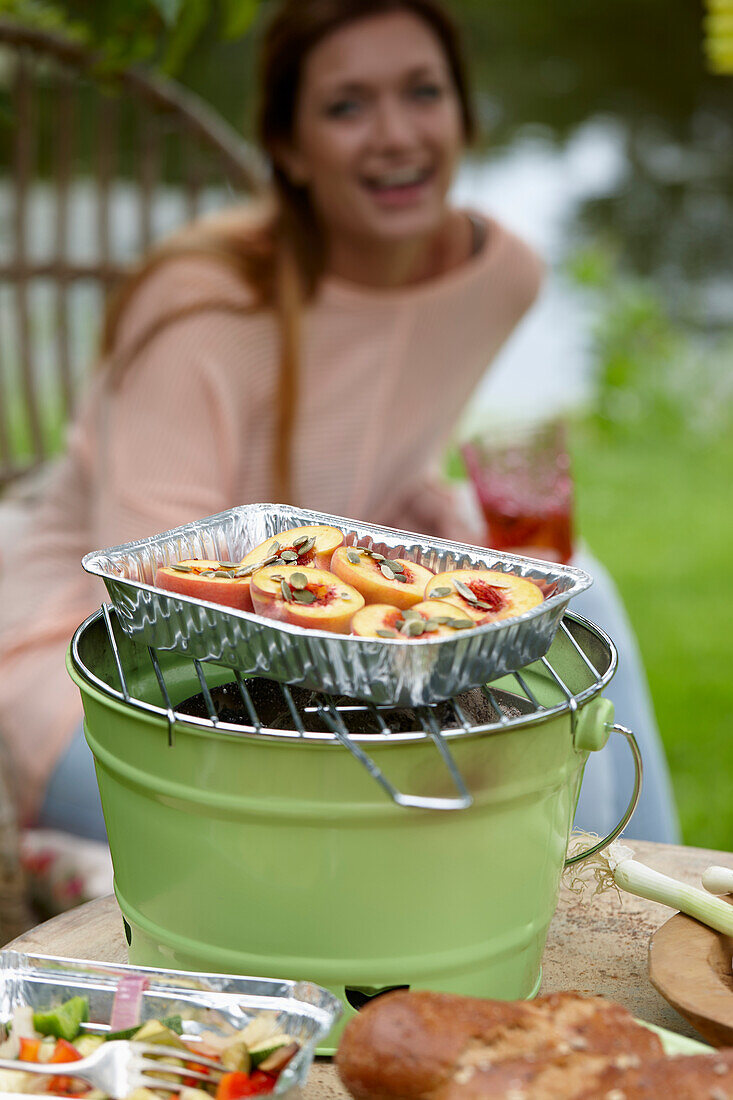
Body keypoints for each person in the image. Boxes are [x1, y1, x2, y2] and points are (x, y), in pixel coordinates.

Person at [0, 0, 678, 844]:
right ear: (287, 146)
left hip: (315, 626)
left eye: (422, 93)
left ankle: (653, 908)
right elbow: (160, 595)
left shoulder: (496, 277)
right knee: (500, 783)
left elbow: (374, 430)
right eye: (346, 106)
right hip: (103, 669)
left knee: (585, 587)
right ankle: (567, 927)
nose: (394, 134)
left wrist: (411, 494)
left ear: (463, 116)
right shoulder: (204, 309)